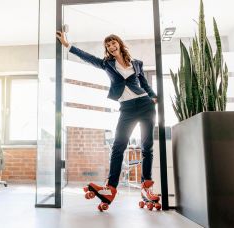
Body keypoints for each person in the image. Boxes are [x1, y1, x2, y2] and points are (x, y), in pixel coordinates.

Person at [56, 31, 160, 207]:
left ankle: (146, 186)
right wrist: (68, 45)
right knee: (118, 147)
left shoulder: (137, 64)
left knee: (147, 147)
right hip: (126, 109)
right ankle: (111, 188)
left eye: (113, 43)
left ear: (119, 44)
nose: (111, 47)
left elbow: (144, 84)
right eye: (108, 45)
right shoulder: (106, 64)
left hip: (145, 106)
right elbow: (87, 57)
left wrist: (153, 97)